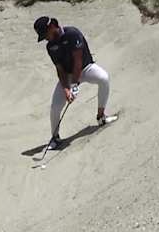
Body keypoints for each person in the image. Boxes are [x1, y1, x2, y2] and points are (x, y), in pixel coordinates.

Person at [33, 16, 112, 150]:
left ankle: (101, 116)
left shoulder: (72, 34)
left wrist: (75, 85)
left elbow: (78, 61)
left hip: (86, 68)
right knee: (55, 107)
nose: (45, 38)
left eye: (45, 34)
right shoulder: (50, 46)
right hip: (68, 76)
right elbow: (60, 70)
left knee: (103, 78)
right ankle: (55, 137)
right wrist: (66, 89)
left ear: (52, 26)